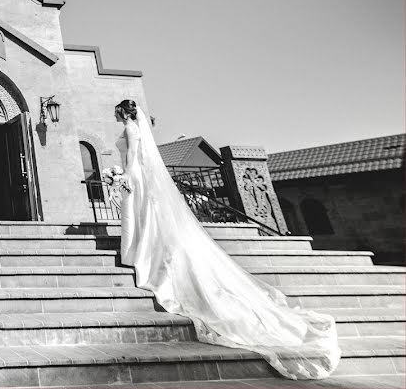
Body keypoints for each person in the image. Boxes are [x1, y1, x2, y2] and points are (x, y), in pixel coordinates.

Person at [114, 98, 340, 380]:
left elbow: (133, 157)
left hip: (135, 175)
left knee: (149, 218)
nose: (114, 114)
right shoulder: (133, 128)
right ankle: (144, 251)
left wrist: (123, 175)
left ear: (122, 112)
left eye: (116, 111)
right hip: (137, 177)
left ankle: (144, 253)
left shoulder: (132, 131)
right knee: (149, 218)